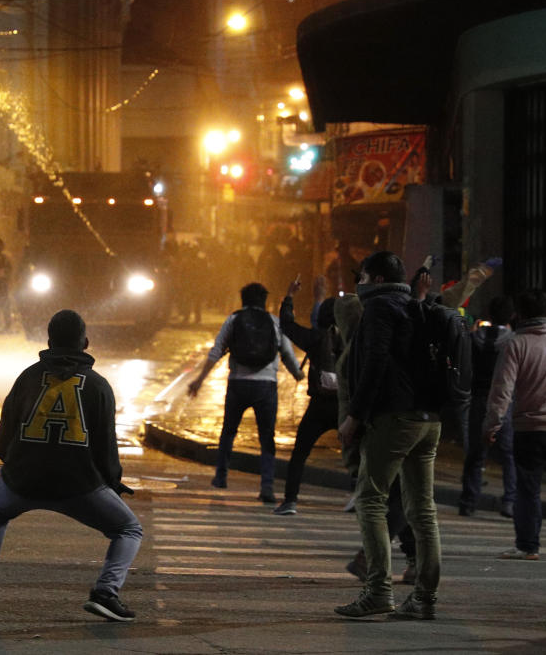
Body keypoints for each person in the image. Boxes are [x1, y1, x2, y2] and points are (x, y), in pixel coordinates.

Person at [0, 310, 143, 621]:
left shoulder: (28, 377)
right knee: (129, 529)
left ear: (48, 341)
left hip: (22, 481)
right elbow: (106, 449)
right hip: (78, 486)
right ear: (85, 342)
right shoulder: (99, 386)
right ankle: (105, 593)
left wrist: (13, 467)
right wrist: (112, 484)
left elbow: (2, 439)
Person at [336, 251, 442, 620]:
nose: (358, 285)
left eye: (362, 278)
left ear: (377, 280)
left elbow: (376, 362)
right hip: (429, 420)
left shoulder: (381, 308)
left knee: (370, 499)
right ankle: (424, 598)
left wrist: (354, 416)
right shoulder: (416, 306)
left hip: (395, 419)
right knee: (422, 509)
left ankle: (379, 590)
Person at [483, 289, 546, 561]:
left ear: (520, 314)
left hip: (530, 428)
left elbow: (502, 390)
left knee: (528, 489)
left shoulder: (516, 344)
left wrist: (492, 424)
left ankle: (528, 546)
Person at [188, 283, 304, 502]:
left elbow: (216, 351)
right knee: (267, 436)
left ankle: (221, 477)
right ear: (264, 301)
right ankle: (267, 486)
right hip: (266, 386)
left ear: (243, 300)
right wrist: (298, 375)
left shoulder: (233, 320)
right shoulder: (274, 322)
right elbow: (287, 354)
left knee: (229, 431)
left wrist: (199, 380)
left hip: (238, 384)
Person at [272, 277, 339, 515]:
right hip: (346, 406)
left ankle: (290, 501)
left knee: (300, 453)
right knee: (361, 456)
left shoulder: (317, 338)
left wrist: (289, 296)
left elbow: (287, 325)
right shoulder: (356, 340)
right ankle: (362, 498)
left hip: (320, 405)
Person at [459, 296, 517, 518]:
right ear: (512, 316)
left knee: (476, 452)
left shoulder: (475, 339)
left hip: (479, 398)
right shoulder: (513, 341)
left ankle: (468, 501)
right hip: (505, 400)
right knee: (508, 454)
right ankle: (509, 501)